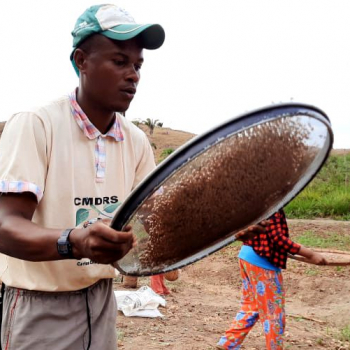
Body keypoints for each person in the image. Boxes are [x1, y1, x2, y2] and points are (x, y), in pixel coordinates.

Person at [0, 4, 165, 350]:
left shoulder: (136, 142)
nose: (133, 74)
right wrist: (74, 241)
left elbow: (154, 221)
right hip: (41, 305)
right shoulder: (37, 125)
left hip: (102, 300)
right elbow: (5, 226)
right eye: (119, 62)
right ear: (81, 61)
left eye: (137, 65)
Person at [216, 209, 327, 350]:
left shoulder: (257, 201)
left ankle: (228, 343)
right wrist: (310, 254)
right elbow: (277, 238)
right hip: (261, 262)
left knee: (251, 306)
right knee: (274, 312)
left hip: (246, 255)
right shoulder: (273, 203)